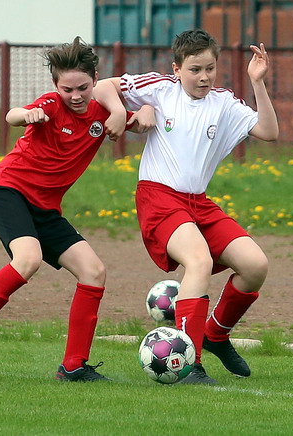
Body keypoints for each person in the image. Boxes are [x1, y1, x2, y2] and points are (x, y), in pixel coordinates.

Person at [0, 36, 154, 381]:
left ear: (95, 79)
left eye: (82, 88)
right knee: (28, 259)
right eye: (67, 89)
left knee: (93, 271)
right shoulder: (51, 105)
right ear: (56, 86)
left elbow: (143, 115)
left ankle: (73, 366)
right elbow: (12, 115)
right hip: (8, 192)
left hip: (45, 208)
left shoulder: (103, 113)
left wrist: (144, 112)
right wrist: (28, 114)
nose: (75, 96)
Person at [94, 29, 278, 384]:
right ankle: (190, 365)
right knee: (199, 262)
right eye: (195, 69)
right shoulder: (161, 89)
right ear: (176, 69)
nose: (204, 76)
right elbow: (103, 87)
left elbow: (269, 132)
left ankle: (215, 335)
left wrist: (258, 82)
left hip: (199, 203)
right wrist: (125, 110)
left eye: (210, 68)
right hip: (159, 198)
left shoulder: (223, 103)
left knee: (255, 266)